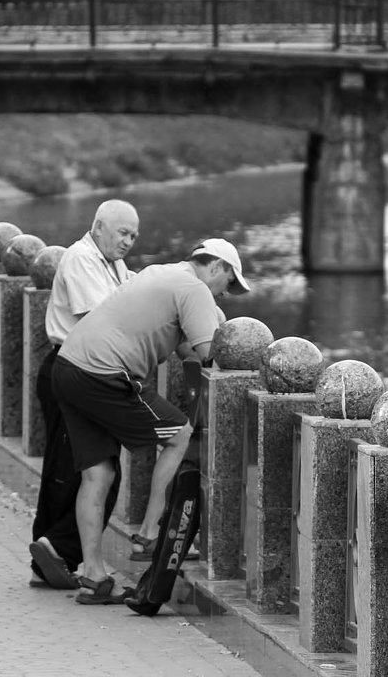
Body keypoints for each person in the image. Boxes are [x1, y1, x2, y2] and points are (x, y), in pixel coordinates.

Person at [53, 238, 251, 605]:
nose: (226, 293)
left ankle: (93, 577)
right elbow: (210, 355)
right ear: (217, 267)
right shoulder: (194, 288)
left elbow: (182, 348)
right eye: (229, 283)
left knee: (98, 474)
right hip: (105, 373)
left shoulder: (162, 273)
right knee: (178, 435)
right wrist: (222, 329)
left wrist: (208, 323)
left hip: (68, 367)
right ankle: (149, 534)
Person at [28, 199, 140, 590]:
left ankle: (51, 557)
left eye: (133, 236)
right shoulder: (81, 259)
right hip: (72, 369)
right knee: (77, 472)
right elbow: (104, 321)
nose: (128, 242)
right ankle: (52, 552)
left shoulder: (114, 265)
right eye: (122, 233)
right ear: (99, 227)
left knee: (84, 470)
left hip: (87, 372)